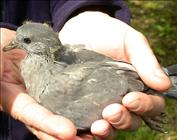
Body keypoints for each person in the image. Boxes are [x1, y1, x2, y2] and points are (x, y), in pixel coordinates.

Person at [0, 0, 171, 140]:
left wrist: (87, 8)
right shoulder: (49, 67)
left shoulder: (52, 90)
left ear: (42, 45)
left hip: (121, 82)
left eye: (26, 41)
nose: (15, 44)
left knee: (125, 107)